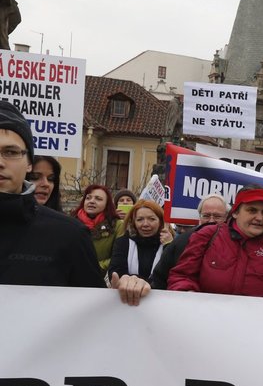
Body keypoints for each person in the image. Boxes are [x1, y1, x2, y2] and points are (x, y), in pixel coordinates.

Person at [0, 100, 103, 288]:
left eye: (10, 152)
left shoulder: (70, 235)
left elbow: (95, 312)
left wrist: (126, 294)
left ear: (29, 162)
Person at [168, 185, 263, 298]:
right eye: (252, 210)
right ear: (235, 213)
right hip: (206, 320)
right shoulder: (207, 236)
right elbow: (182, 276)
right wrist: (187, 295)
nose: (259, 218)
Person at [150, 193, 228, 290]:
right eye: (206, 216)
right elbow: (159, 279)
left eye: (217, 216)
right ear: (199, 216)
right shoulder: (181, 242)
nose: (211, 221)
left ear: (226, 218)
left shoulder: (236, 243)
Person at [108, 199, 172, 282]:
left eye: (151, 219)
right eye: (140, 219)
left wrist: (169, 246)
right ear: (133, 222)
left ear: (160, 221)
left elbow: (172, 275)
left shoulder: (170, 243)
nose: (145, 224)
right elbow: (115, 274)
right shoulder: (123, 242)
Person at [70, 183, 124, 275]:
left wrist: (93, 267)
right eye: (88, 198)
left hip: (101, 279)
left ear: (107, 204)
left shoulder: (117, 225)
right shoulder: (70, 222)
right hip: (72, 277)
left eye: (98, 199)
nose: (91, 201)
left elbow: (119, 256)